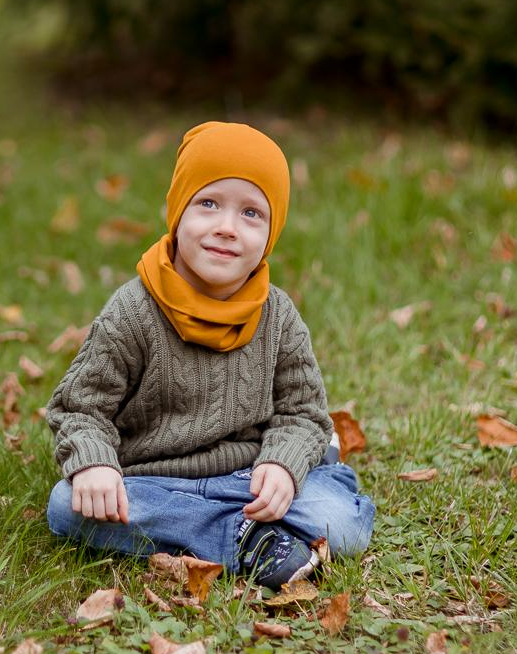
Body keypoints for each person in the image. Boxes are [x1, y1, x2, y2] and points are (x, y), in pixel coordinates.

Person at [44, 121, 376, 589]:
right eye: (208, 204)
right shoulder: (133, 311)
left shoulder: (276, 315)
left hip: (250, 474)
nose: (226, 228)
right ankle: (243, 538)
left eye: (251, 214)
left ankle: (301, 475)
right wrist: (95, 462)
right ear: (177, 211)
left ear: (271, 232)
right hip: (157, 482)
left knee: (338, 523)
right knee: (66, 506)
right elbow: (79, 407)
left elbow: (302, 411)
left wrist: (282, 463)